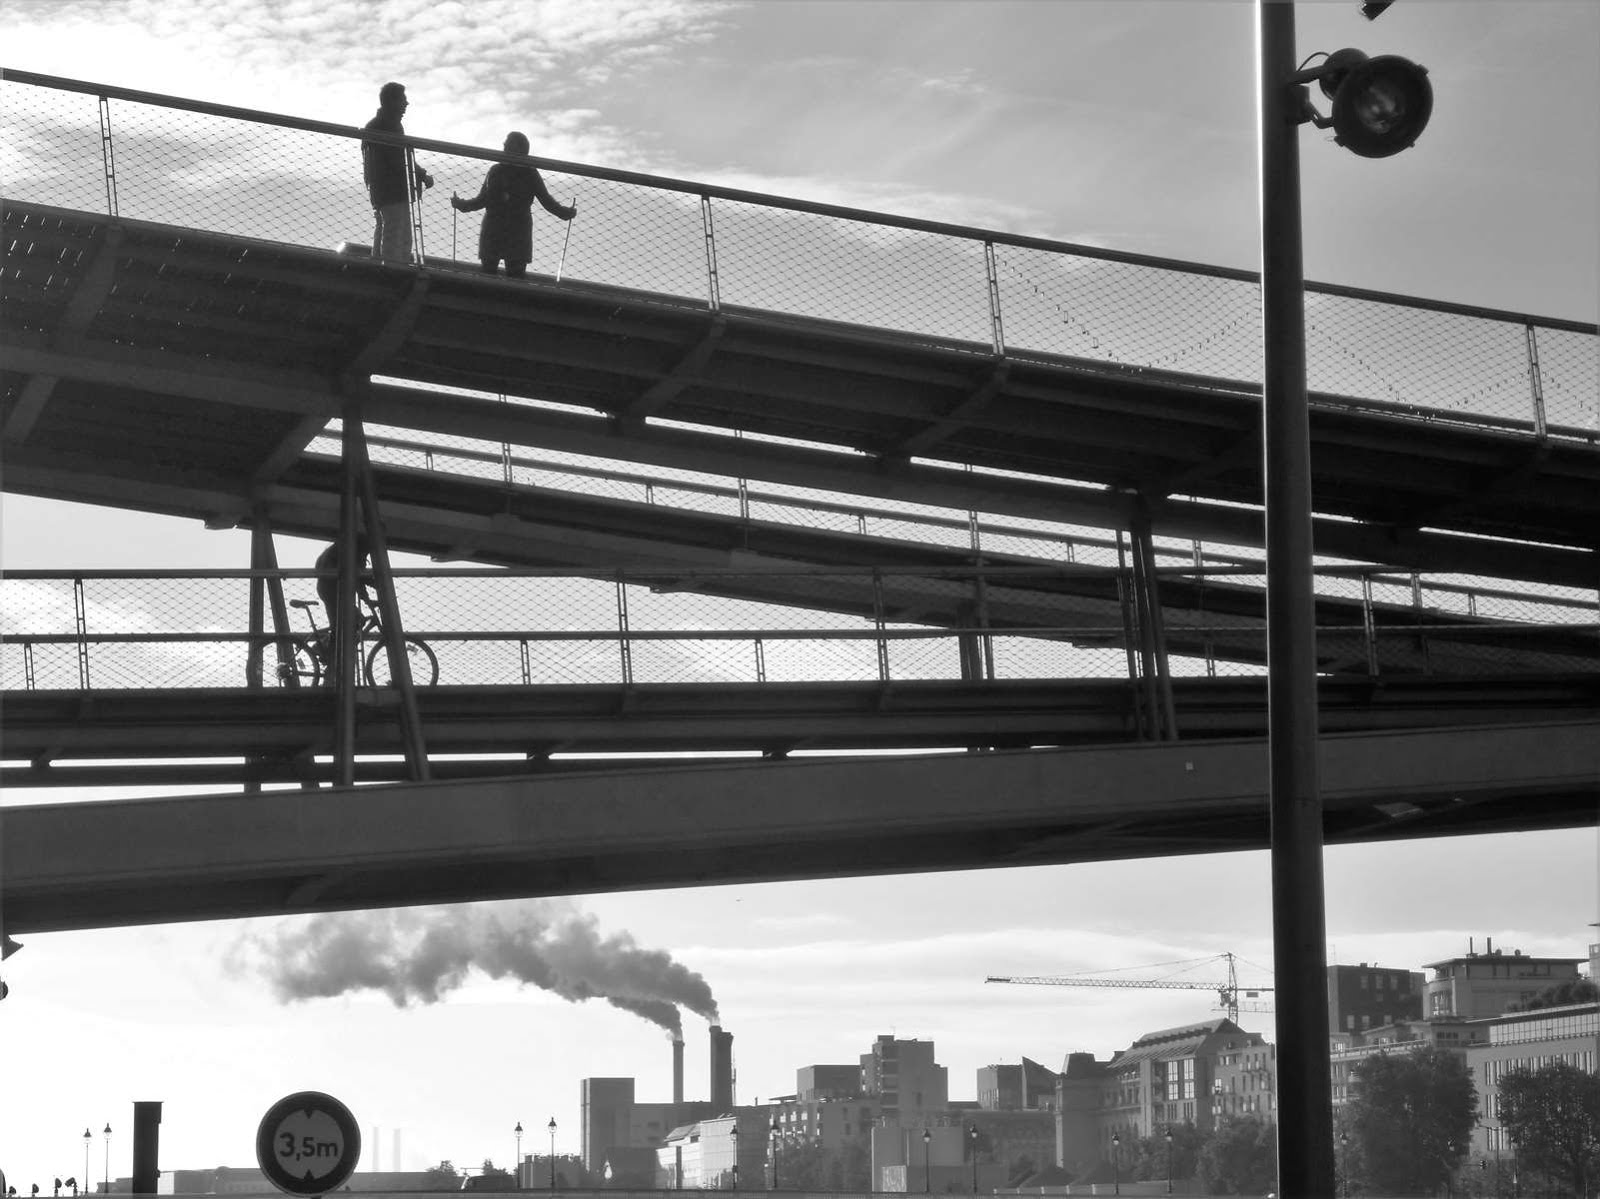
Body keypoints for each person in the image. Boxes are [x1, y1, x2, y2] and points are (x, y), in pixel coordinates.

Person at [450, 131, 575, 278]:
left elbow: (545, 200)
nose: (504, 145)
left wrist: (564, 213)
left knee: (507, 273)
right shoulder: (503, 171)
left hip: (508, 228)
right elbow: (483, 199)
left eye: (508, 143)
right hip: (505, 228)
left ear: (518, 148)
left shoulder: (524, 172)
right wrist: (462, 205)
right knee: (495, 272)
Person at [362, 81, 433, 263]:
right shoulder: (387, 126)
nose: (406, 104)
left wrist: (420, 174)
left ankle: (380, 267)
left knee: (387, 229)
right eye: (403, 99)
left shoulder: (378, 125)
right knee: (397, 234)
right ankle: (391, 271)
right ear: (392, 101)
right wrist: (420, 174)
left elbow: (398, 158)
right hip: (393, 191)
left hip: (382, 191)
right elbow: (399, 159)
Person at [314, 535, 374, 680]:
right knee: (350, 622)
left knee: (346, 623)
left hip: (330, 588)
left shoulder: (340, 548)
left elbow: (358, 577)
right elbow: (359, 577)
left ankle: (329, 650)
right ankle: (326, 650)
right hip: (334, 590)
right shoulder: (354, 551)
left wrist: (367, 597)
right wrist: (371, 596)